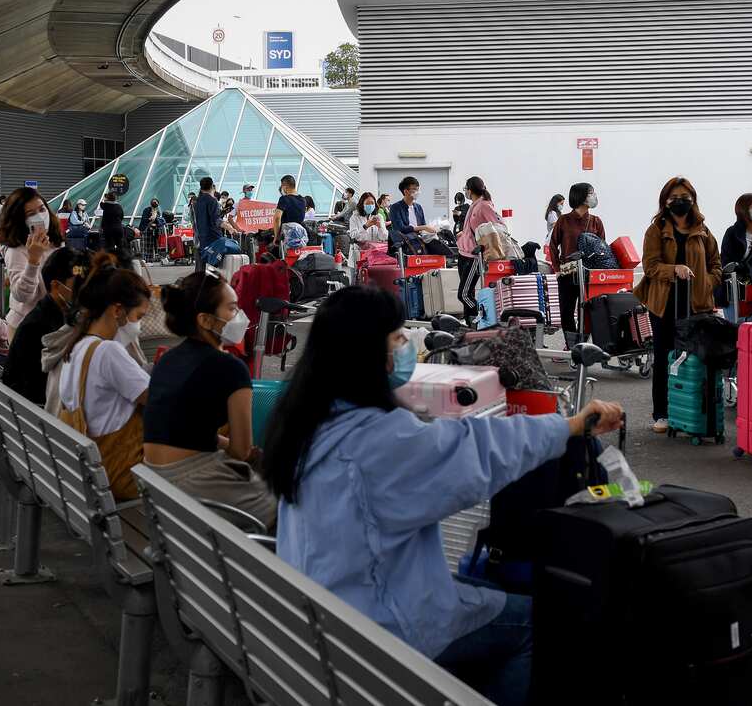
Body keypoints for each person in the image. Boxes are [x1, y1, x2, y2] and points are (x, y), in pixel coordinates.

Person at [263, 285, 624, 705]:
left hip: (322, 617)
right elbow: (477, 448)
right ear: (367, 353)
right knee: (533, 623)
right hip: (379, 630)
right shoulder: (378, 441)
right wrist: (570, 426)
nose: (406, 346)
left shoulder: (308, 422)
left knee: (471, 585)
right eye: (397, 337)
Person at [144, 272, 277, 529]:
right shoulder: (230, 367)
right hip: (194, 481)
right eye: (232, 308)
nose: (240, 316)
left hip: (155, 479)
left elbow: (184, 428)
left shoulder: (168, 359)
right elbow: (241, 450)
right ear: (205, 319)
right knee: (284, 509)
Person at [55, 253, 152, 500]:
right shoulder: (108, 351)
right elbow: (160, 403)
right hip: (119, 475)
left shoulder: (77, 347)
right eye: (138, 317)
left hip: (87, 470)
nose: (138, 325)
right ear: (118, 310)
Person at [634, 178, 722, 433]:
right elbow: (650, 266)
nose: (679, 200)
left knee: (696, 357)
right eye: (674, 197)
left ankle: (693, 411)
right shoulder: (656, 230)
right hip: (664, 304)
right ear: (665, 201)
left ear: (693, 198)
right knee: (665, 357)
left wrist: (707, 281)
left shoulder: (703, 230)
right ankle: (662, 413)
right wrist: (676, 270)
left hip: (697, 304)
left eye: (684, 195)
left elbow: (716, 264)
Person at [2, 248, 89, 405]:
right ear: (55, 286)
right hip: (36, 414)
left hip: (25, 412)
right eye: (78, 285)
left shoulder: (50, 314)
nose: (85, 291)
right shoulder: (42, 327)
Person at [0, 186, 63, 329]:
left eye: (42, 209)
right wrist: (33, 260)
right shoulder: (16, 250)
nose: (40, 216)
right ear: (20, 219)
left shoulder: (55, 241)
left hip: (55, 322)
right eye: (31, 213)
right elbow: (22, 296)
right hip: (27, 327)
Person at [548, 182, 605, 338]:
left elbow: (603, 250)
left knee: (587, 312)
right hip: (567, 274)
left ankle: (583, 346)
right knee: (566, 312)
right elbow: (553, 245)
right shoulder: (564, 220)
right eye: (591, 193)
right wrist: (557, 269)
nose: (594, 196)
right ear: (580, 196)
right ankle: (571, 345)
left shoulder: (596, 221)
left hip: (589, 276)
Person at [455, 177, 501, 321]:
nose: (465, 192)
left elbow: (498, 226)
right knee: (468, 292)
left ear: (470, 190)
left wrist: (482, 244)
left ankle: (483, 318)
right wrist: (464, 234)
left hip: (474, 256)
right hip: (463, 253)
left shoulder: (485, 205)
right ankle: (470, 323)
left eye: (466, 189)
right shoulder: (473, 205)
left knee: (463, 295)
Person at [718, 193, 752, 307]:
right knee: (738, 322)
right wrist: (744, 267)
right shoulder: (732, 233)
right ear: (744, 210)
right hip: (736, 287)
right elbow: (726, 263)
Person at [388, 176, 451, 257]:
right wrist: (423, 227)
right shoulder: (395, 207)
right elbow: (400, 228)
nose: (417, 192)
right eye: (414, 189)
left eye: (418, 189)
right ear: (406, 191)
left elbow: (422, 226)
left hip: (419, 240)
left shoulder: (418, 207)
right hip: (406, 243)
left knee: (441, 245)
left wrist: (432, 229)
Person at [272, 175, 307, 249]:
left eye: (282, 186)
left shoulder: (284, 199)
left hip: (286, 235)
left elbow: (277, 218)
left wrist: (276, 237)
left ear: (285, 186)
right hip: (299, 236)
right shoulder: (303, 200)